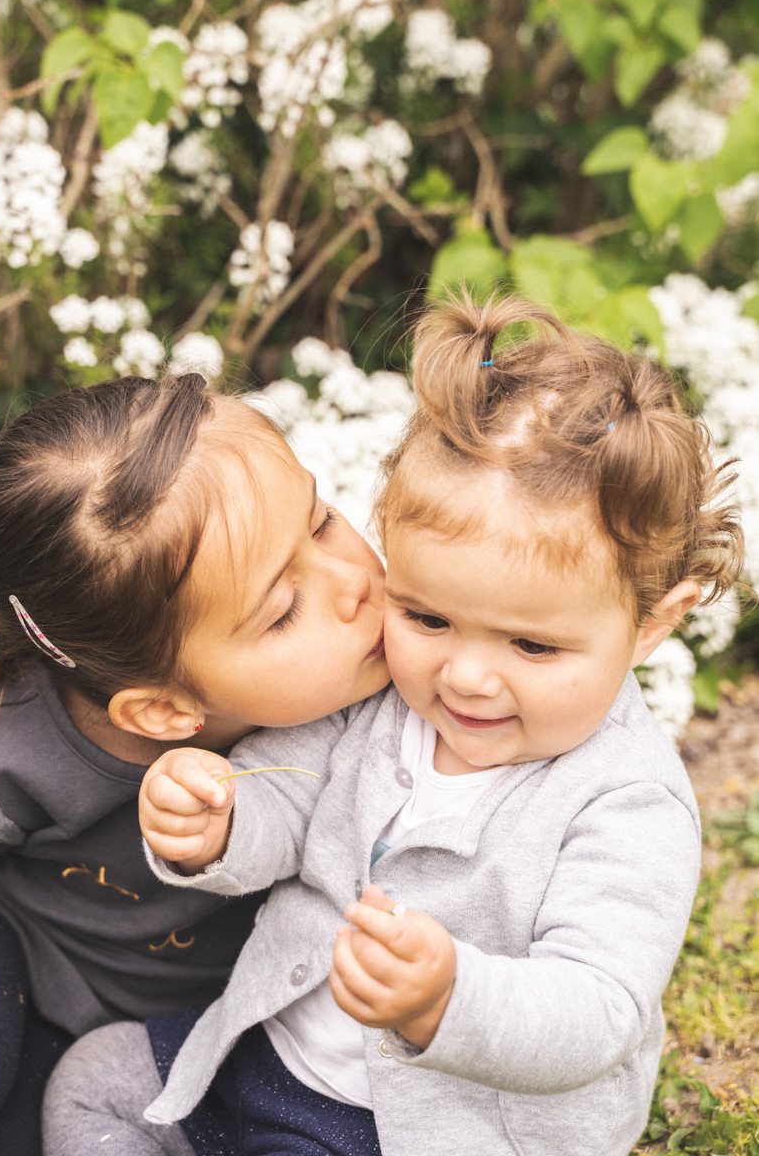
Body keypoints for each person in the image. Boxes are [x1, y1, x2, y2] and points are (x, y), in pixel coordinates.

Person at [43, 294, 744, 1156]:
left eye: (531, 643)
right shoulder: (384, 701)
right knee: (95, 1079)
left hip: (421, 1125)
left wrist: (449, 999)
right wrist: (219, 822)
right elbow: (287, 800)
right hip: (271, 1053)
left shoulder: (624, 802)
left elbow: (597, 1009)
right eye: (427, 618)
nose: (466, 676)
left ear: (651, 622)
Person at [0, 371, 388, 1156]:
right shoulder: (4, 744)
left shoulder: (400, 675)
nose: (354, 584)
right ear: (163, 710)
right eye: (282, 610)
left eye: (324, 522)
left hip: (190, 1026)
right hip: (0, 934)